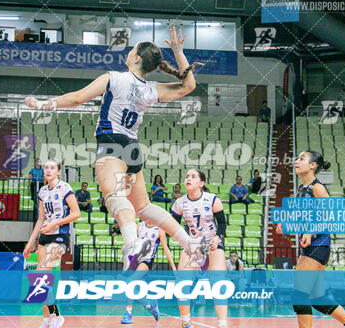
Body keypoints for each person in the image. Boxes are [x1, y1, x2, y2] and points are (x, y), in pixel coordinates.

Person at [24, 27, 208, 271]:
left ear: (137, 58)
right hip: (132, 148)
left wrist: (44, 104)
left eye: (132, 50)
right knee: (143, 207)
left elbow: (78, 97)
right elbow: (188, 86)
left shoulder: (114, 77)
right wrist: (178, 52)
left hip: (111, 145)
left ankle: (133, 244)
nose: (129, 51)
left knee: (116, 199)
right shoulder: (150, 88)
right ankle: (189, 242)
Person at [276, 151, 345, 328]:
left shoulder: (317, 188)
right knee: (317, 298)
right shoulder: (302, 189)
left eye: (302, 159)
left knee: (299, 296)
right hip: (312, 248)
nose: (297, 161)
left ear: (313, 166)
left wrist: (311, 232)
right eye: (297, 158)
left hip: (318, 246)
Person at [23, 159, 81, 328]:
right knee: (42, 278)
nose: (48, 170)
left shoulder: (65, 188)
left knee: (40, 273)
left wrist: (55, 224)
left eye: (52, 168)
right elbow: (41, 218)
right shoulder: (42, 191)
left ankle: (56, 315)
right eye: (46, 168)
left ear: (58, 171)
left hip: (60, 236)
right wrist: (29, 243)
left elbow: (76, 213)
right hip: (44, 237)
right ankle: (48, 319)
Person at [171, 169, 228, 328]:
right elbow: (172, 226)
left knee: (218, 283)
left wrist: (218, 237)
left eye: (193, 176)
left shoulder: (212, 200)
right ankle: (186, 321)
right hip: (194, 244)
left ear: (201, 183)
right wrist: (185, 241)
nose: (188, 178)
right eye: (187, 176)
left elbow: (222, 224)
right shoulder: (180, 203)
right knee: (182, 283)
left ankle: (222, 323)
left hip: (211, 243)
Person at [121, 221, 176, 324]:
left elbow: (166, 249)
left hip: (147, 261)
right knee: (129, 285)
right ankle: (149, 304)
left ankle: (128, 313)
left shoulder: (159, 230)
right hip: (135, 259)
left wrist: (174, 268)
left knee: (131, 281)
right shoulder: (139, 226)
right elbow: (132, 243)